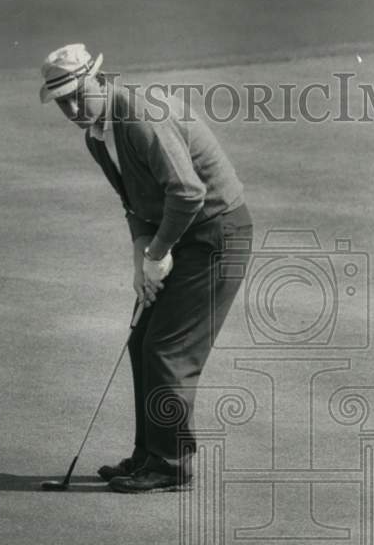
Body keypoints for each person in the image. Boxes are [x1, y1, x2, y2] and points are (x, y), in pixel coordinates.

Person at [40, 43, 253, 493]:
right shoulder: (97, 136)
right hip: (183, 235)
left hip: (217, 234)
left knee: (167, 348)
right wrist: (142, 258)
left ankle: (172, 464)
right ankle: (148, 456)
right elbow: (133, 201)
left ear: (98, 79)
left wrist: (159, 254)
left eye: (78, 94)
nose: (74, 108)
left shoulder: (138, 115)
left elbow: (188, 193)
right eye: (63, 102)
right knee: (143, 342)